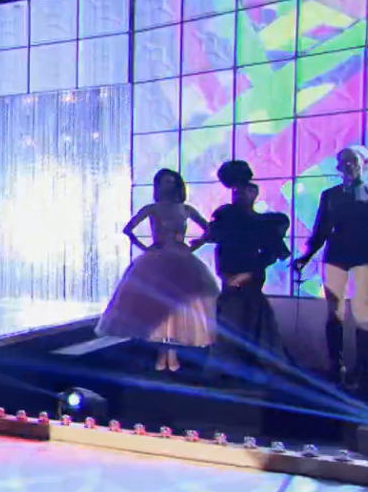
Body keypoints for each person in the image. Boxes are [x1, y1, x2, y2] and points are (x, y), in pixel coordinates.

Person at [292, 146, 368, 389]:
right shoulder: (330, 195)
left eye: (354, 160)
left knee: (362, 312)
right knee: (335, 313)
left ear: (364, 163)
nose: (349, 165)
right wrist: (306, 256)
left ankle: (361, 369)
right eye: (345, 162)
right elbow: (321, 230)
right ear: (338, 167)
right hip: (336, 254)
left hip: (362, 254)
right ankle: (336, 366)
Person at [97, 168, 219, 372]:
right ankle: (164, 353)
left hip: (182, 259)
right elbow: (128, 229)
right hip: (158, 258)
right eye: (163, 182)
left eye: (171, 182)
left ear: (177, 185)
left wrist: (194, 246)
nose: (167, 186)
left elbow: (209, 230)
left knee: (178, 305)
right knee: (159, 304)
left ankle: (170, 354)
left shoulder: (186, 209)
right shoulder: (152, 209)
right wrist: (147, 249)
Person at [191, 161, 292, 384]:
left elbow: (272, 252)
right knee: (232, 320)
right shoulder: (226, 217)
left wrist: (251, 272)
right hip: (229, 273)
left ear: (254, 193)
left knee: (250, 320)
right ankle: (229, 369)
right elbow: (214, 237)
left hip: (251, 275)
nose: (240, 195)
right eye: (236, 191)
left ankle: (254, 369)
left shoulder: (265, 223)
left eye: (245, 191)